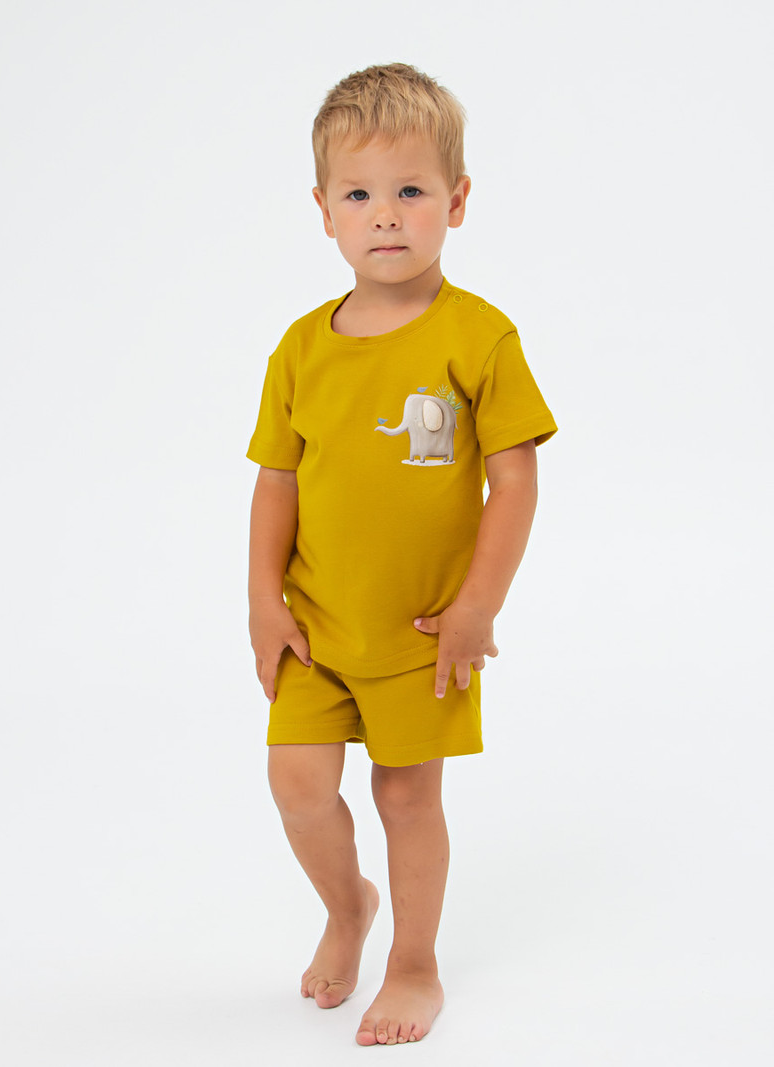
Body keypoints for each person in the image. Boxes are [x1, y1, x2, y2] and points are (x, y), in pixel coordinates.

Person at [247, 62, 557, 1047]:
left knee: (405, 791)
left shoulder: (479, 337)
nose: (384, 214)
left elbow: (514, 482)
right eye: (358, 195)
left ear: (455, 202)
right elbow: (277, 481)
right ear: (323, 211)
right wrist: (261, 599)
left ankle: (415, 962)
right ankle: (349, 904)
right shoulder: (300, 348)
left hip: (424, 632)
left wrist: (477, 607)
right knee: (296, 781)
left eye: (411, 190)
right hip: (315, 623)